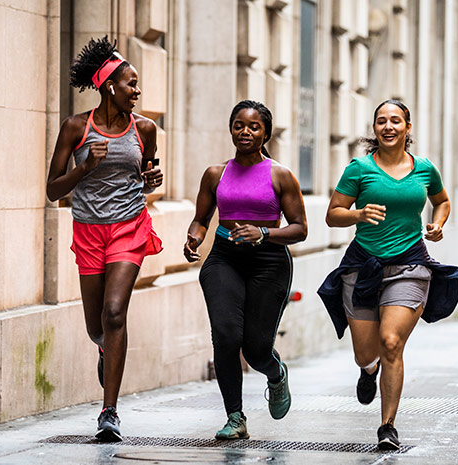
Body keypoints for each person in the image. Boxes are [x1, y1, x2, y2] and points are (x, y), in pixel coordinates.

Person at [318, 99, 458, 450]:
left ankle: (388, 426)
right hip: (363, 266)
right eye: (381, 121)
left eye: (395, 121)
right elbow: (332, 214)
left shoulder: (425, 169)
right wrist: (358, 214)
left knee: (391, 343)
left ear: (407, 128)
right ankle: (367, 372)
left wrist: (438, 224)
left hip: (411, 265)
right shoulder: (358, 169)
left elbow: (442, 200)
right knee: (365, 353)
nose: (388, 127)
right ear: (374, 129)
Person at [46, 36, 163, 442]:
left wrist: (152, 182)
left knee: (115, 313)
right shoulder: (76, 127)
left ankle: (109, 411)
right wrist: (84, 168)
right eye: (131, 84)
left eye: (137, 85)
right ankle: (102, 347)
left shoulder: (145, 129)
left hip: (129, 227)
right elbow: (52, 190)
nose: (137, 91)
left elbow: (145, 175)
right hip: (89, 230)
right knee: (96, 326)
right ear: (110, 86)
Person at [184, 100, 308, 440]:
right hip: (224, 258)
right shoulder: (215, 174)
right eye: (239, 125)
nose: (245, 132)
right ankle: (235, 417)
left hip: (269, 263)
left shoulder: (280, 175)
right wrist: (194, 238)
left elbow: (300, 228)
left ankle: (276, 373)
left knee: (255, 349)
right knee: (225, 335)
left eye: (253, 127)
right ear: (231, 129)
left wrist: (264, 233)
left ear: (265, 132)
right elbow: (201, 219)